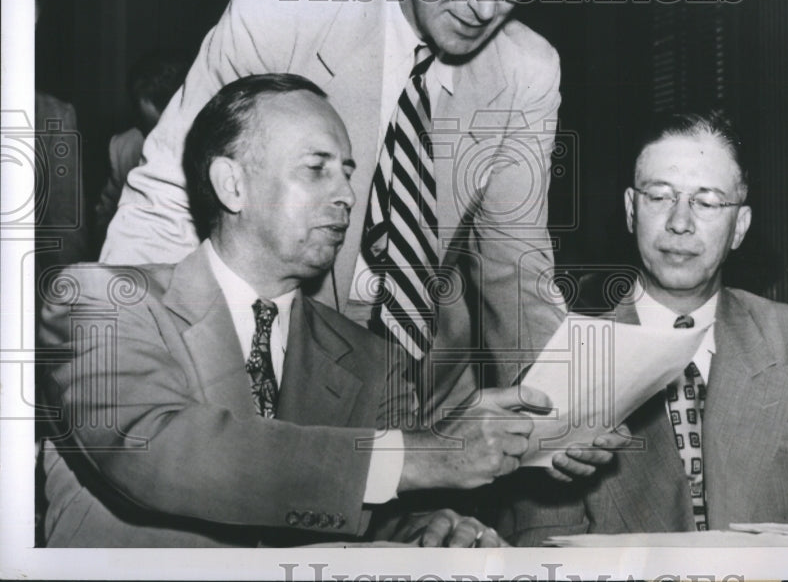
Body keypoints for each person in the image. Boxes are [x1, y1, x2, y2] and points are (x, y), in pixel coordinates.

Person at [100, 0, 564, 418]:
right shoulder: (275, 16)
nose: (487, 4)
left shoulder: (528, 69)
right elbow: (167, 202)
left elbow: (516, 270)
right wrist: (122, 376)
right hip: (272, 377)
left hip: (426, 397)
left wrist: (561, 413)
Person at [39, 74, 575, 548]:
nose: (347, 194)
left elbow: (371, 510)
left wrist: (433, 531)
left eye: (347, 172)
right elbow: (157, 451)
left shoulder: (373, 360)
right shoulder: (99, 301)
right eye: (316, 169)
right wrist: (424, 455)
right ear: (232, 184)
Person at [497, 111, 788, 545]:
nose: (679, 222)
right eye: (659, 196)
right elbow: (545, 541)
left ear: (740, 226)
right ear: (630, 209)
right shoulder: (564, 354)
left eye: (706, 202)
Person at [93, 54, 187, 245]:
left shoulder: (215, 147)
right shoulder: (123, 147)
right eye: (147, 127)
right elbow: (105, 214)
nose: (152, 137)